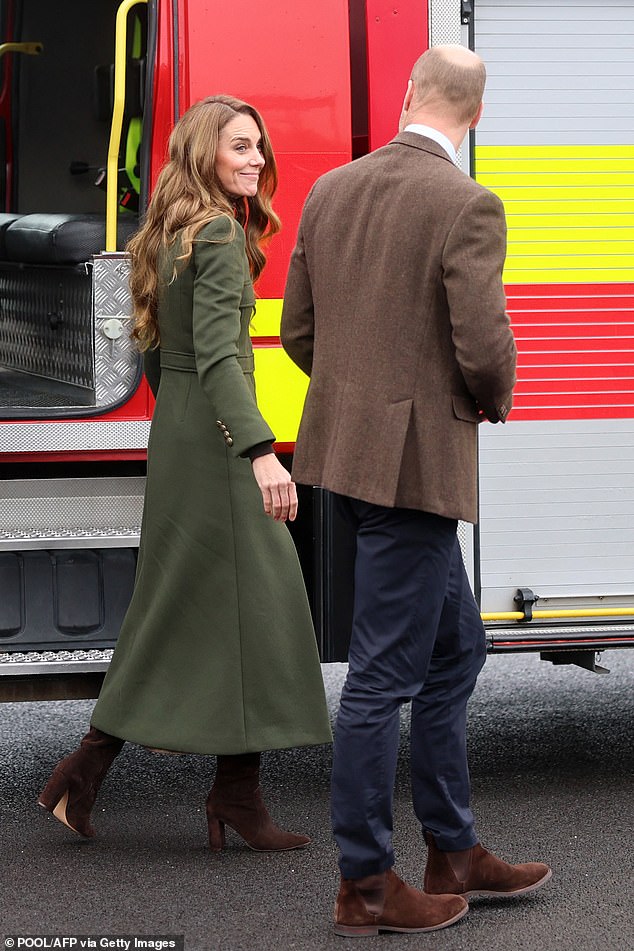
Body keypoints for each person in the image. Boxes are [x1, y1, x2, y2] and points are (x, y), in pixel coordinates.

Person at [281, 46, 551, 936]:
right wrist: (491, 398)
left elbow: (299, 331)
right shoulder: (467, 202)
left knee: (456, 649)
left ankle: (454, 851)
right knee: (381, 677)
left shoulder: (331, 189)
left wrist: (358, 405)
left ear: (407, 96)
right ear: (477, 114)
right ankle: (364, 884)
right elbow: (483, 342)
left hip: (346, 460)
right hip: (414, 472)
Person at [38, 95, 332, 853]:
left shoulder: (168, 232)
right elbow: (223, 358)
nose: (257, 159)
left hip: (181, 434)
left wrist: (185, 420)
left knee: (186, 605)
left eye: (259, 146)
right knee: (258, 603)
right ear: (206, 153)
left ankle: (125, 779)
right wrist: (261, 452)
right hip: (220, 445)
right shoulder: (220, 236)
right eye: (240, 146)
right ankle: (213, 791)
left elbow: (158, 356)